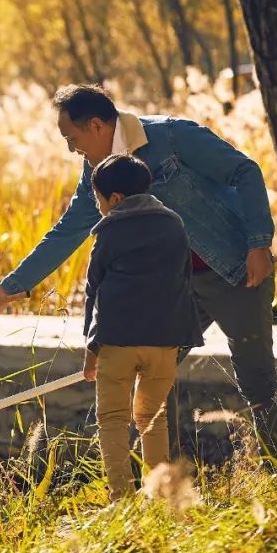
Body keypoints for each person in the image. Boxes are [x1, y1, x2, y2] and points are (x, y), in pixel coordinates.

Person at [0, 84, 277, 466]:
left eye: (73, 140)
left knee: (257, 381)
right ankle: (162, 483)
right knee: (151, 376)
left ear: (98, 125)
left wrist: (258, 243)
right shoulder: (98, 175)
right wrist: (10, 288)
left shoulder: (172, 136)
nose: (73, 150)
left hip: (235, 269)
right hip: (173, 287)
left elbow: (244, 170)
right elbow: (67, 232)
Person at [80, 153, 203, 501]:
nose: (99, 207)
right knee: (152, 417)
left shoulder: (107, 232)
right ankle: (162, 500)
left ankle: (121, 499)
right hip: (164, 340)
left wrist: (90, 349)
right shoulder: (175, 224)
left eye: (98, 199)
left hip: (116, 341)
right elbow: (184, 280)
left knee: (114, 419)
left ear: (115, 199)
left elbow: (94, 291)